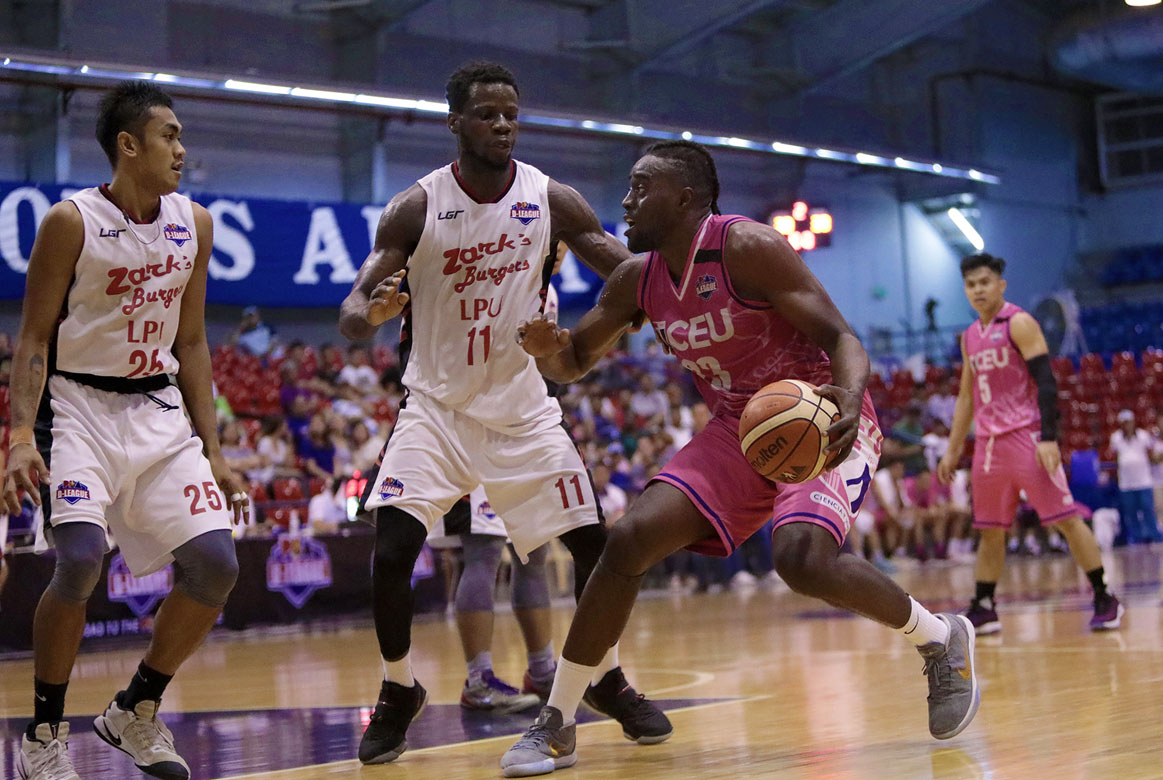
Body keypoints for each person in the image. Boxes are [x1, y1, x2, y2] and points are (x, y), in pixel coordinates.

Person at [501, 140, 979, 777]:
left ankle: (939, 638)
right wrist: (546, 347)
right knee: (631, 538)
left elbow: (842, 336)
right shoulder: (636, 278)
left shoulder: (745, 247)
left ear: (686, 198)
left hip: (815, 410)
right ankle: (557, 720)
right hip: (738, 427)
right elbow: (575, 360)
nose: (627, 199)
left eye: (642, 186)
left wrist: (850, 398)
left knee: (802, 558)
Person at [338, 61, 669, 766]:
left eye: (511, 113)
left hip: (523, 409)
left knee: (593, 548)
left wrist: (667, 296)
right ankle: (399, 689)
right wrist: (372, 310)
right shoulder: (416, 207)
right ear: (455, 122)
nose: (503, 124)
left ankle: (601, 679)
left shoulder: (550, 197)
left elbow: (623, 269)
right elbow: (349, 316)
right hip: (436, 409)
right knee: (392, 551)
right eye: (487, 113)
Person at [1, 81, 248, 780]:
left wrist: (216, 449)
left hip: (159, 410)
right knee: (79, 560)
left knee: (218, 566)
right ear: (128, 145)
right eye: (169, 135)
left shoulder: (194, 223)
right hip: (77, 408)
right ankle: (45, 732)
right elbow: (32, 340)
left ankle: (134, 709)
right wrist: (21, 435)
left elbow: (192, 341)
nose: (182, 148)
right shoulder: (69, 222)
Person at [937, 253, 1122, 635]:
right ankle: (984, 605)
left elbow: (1048, 382)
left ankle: (1105, 596)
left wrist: (1050, 437)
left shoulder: (1019, 323)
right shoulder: (970, 336)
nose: (978, 290)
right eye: (971, 285)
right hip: (988, 444)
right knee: (990, 529)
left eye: (985, 282)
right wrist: (953, 447)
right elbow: (967, 398)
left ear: (1000, 285)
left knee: (1067, 521)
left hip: (1026, 436)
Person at [431, 487, 556, 713]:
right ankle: (478, 681)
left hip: (520, 461)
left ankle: (543, 673)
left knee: (534, 550)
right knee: (484, 549)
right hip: (476, 461)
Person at [1107, 409, 1161, 544]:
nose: (1127, 425)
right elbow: (1112, 455)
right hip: (1126, 483)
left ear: (1133, 422)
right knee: (1131, 512)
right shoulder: (1116, 438)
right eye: (1124, 423)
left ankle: (1155, 536)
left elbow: (1151, 453)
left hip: (1143, 481)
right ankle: (1136, 538)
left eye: (1129, 422)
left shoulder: (1143, 436)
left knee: (1147, 509)